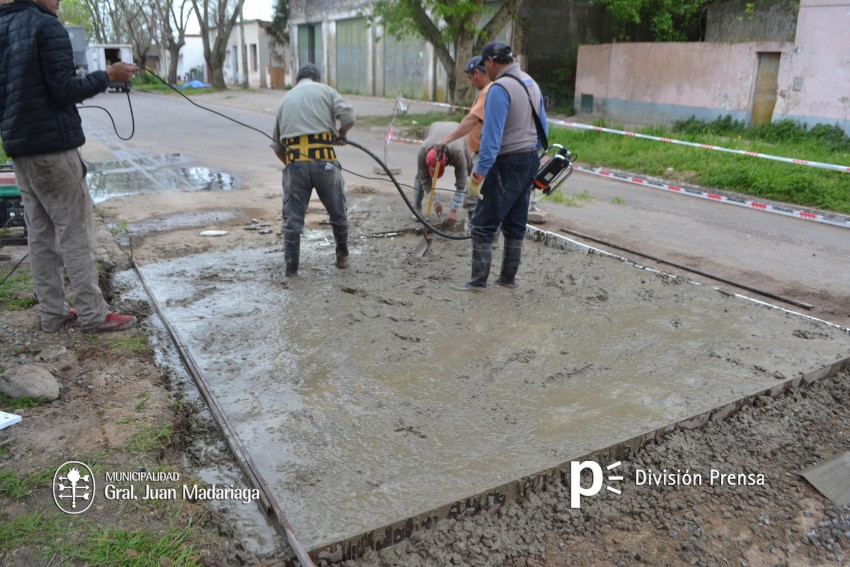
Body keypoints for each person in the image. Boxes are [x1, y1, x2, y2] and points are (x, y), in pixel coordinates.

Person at [0, 0, 139, 332]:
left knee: (40, 236)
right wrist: (108, 75)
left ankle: (52, 313)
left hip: (20, 149)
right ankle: (93, 314)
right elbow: (64, 90)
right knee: (75, 234)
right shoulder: (47, 26)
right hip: (54, 151)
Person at [459, 41, 548, 291]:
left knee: (483, 224)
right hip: (530, 159)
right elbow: (544, 127)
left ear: (489, 62)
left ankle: (478, 282)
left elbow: (491, 140)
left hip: (506, 162)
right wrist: (533, 157)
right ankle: (508, 279)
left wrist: (478, 176)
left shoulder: (499, 89)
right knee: (515, 224)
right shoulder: (531, 83)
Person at [271, 63, 355, 277]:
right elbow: (348, 117)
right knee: (338, 213)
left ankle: (291, 269)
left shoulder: (285, 99)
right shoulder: (325, 91)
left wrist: (294, 164)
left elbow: (277, 146)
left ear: (297, 80)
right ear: (317, 78)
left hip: (295, 165)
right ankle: (342, 258)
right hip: (325, 163)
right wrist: (341, 134)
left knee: (292, 221)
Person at [433, 55, 493, 219]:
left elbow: (472, 119)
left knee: (471, 198)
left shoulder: (489, 91)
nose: (471, 83)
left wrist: (446, 139)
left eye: (470, 78)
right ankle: (482, 238)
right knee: (481, 198)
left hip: (485, 156)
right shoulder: (486, 92)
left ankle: (480, 239)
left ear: (477, 72)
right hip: (481, 154)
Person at [413, 122, 472, 225]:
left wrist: (454, 210)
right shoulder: (423, 151)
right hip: (434, 127)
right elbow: (425, 179)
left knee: (470, 171)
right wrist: (434, 201)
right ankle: (416, 208)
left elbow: (461, 182)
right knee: (420, 176)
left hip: (457, 130)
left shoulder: (457, 151)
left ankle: (473, 208)